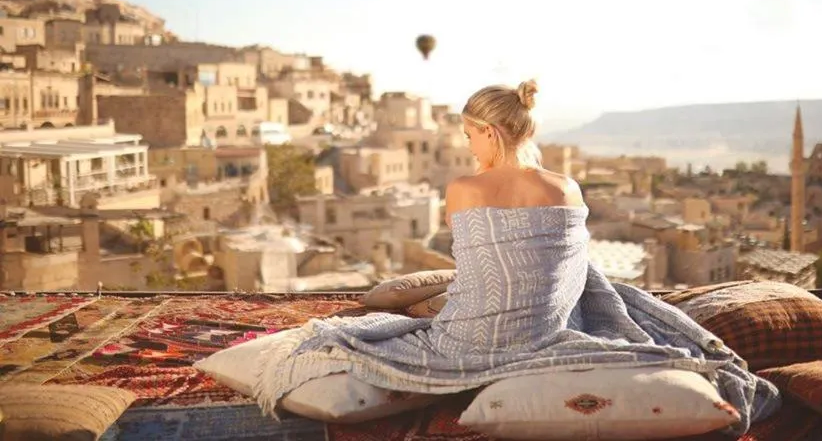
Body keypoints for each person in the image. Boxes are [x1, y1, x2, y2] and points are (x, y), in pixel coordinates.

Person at [252, 80, 781, 436]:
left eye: (468, 135)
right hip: (545, 326)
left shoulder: (465, 189)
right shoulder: (568, 188)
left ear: (491, 132)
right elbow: (571, 272)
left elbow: (477, 272)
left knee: (380, 305)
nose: (467, 147)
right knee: (417, 297)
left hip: (470, 332)